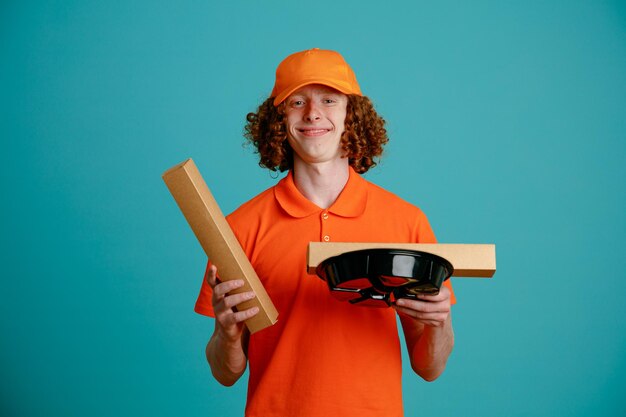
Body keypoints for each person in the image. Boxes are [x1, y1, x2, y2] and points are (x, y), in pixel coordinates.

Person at [194, 48, 455, 417]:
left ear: (352, 114)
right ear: (279, 119)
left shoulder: (406, 222)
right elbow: (226, 373)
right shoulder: (238, 228)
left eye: (329, 100)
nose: (313, 113)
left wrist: (440, 323)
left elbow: (430, 367)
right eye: (297, 101)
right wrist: (227, 334)